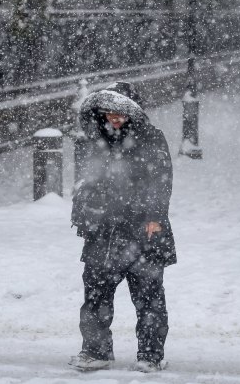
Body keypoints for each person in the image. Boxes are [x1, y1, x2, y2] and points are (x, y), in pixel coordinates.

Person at [69, 81, 176, 373]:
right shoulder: (92, 140)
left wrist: (154, 216)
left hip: (143, 231)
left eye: (120, 112)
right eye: (108, 111)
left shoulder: (151, 138)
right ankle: (95, 351)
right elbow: (83, 183)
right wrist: (84, 215)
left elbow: (161, 179)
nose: (114, 117)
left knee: (149, 296)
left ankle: (151, 355)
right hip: (102, 232)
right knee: (95, 297)